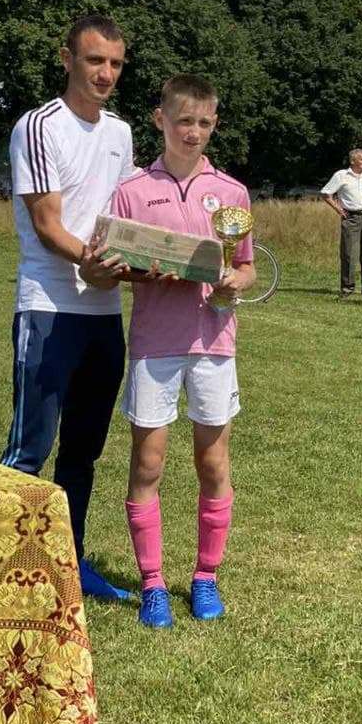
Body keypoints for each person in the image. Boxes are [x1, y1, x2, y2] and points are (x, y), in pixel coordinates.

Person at [0, 14, 136, 600]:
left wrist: (149, 259)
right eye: (94, 60)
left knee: (83, 452)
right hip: (48, 307)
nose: (105, 73)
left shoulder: (121, 133)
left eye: (115, 63)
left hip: (103, 315)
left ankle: (69, 564)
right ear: (67, 59)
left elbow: (128, 216)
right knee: (28, 450)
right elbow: (46, 223)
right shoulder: (38, 126)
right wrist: (88, 260)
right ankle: (5, 568)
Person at [112, 74, 255, 628]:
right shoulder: (132, 190)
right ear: (161, 120)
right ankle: (152, 584)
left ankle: (205, 577)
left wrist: (235, 282)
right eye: (183, 121)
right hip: (155, 343)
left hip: (214, 341)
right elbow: (116, 261)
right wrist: (139, 268)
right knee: (148, 462)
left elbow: (246, 265)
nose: (193, 132)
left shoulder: (232, 193)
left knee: (213, 461)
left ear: (213, 125)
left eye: (204, 123)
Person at [321, 149, 362, 296]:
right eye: (361, 159)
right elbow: (326, 193)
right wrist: (338, 209)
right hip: (350, 217)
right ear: (352, 161)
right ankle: (347, 287)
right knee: (349, 252)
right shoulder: (341, 175)